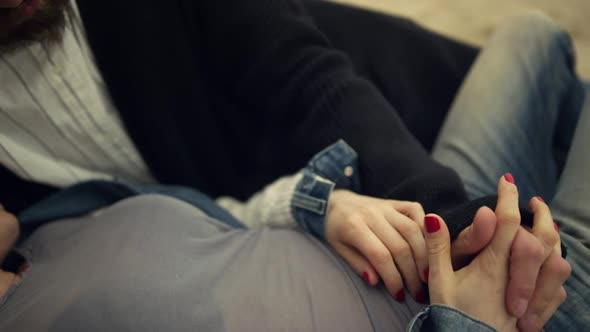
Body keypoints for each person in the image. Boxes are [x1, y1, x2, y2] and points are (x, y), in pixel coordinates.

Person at [0, 0, 574, 329]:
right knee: (533, 42)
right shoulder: (45, 250)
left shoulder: (56, 233)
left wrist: (316, 202)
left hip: (388, 138)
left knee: (534, 48)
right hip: (441, 300)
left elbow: (305, 78)